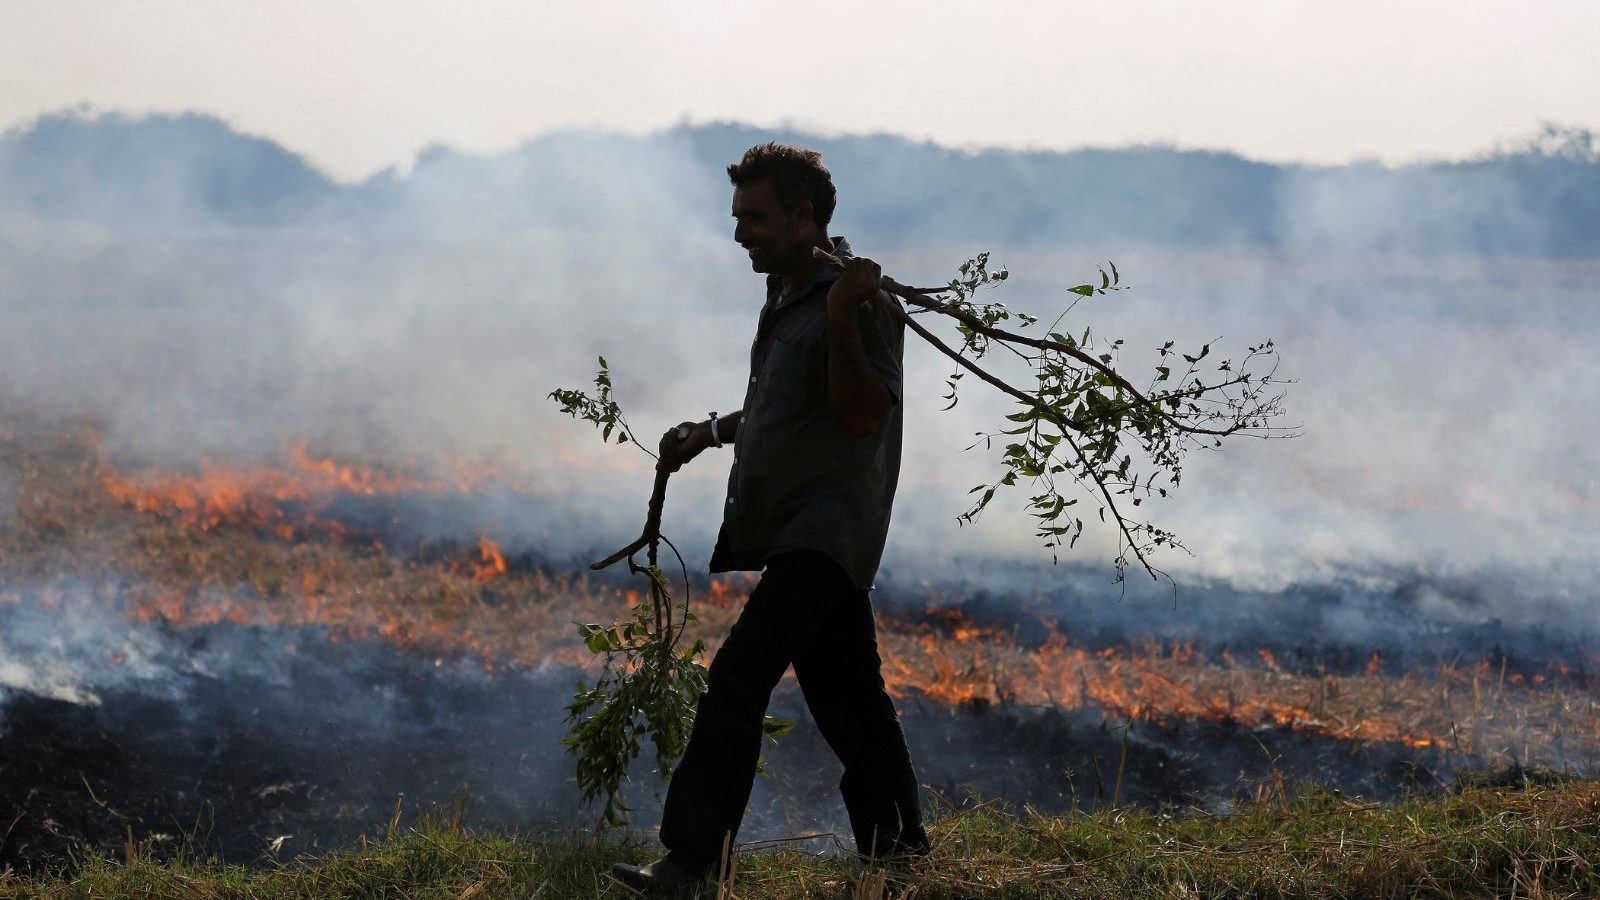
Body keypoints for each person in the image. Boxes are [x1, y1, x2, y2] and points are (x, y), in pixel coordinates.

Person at [612, 143, 929, 891]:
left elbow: (858, 415)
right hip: (799, 530)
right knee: (848, 695)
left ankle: (692, 863)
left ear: (803, 216)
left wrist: (846, 316)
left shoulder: (862, 303)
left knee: (739, 674)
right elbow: (785, 403)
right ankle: (899, 850)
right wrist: (709, 432)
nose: (739, 235)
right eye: (737, 218)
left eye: (753, 218)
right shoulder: (789, 293)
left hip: (826, 531)